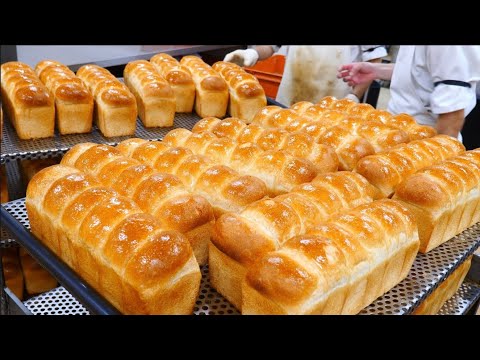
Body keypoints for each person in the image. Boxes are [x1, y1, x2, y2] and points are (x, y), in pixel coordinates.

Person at [337, 45, 480, 141]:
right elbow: (421, 72)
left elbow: (453, 114)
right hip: (396, 132)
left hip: (422, 138)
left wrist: (436, 160)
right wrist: (376, 70)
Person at [224, 45, 387, 106]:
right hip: (289, 102)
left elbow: (373, 62)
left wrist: (354, 96)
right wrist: (252, 53)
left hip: (333, 107)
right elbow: (271, 46)